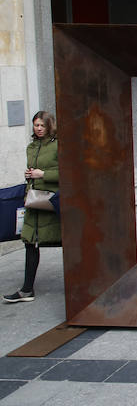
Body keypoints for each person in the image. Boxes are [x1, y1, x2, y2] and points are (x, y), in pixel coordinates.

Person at [5, 111, 60, 304]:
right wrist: (30, 175)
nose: (38, 128)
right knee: (30, 242)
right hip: (34, 202)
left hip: (52, 203)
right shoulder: (31, 147)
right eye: (36, 125)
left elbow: (67, 172)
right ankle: (27, 289)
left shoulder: (57, 146)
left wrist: (42, 173)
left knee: (64, 242)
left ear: (49, 126)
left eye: (41, 125)